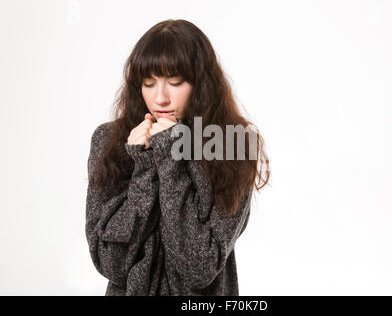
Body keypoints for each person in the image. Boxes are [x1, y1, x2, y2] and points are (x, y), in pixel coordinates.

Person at [85, 19, 270, 296]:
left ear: (201, 84)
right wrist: (144, 166)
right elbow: (112, 264)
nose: (160, 98)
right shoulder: (110, 141)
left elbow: (199, 268)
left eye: (175, 82)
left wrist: (172, 159)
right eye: (149, 83)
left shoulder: (233, 145)